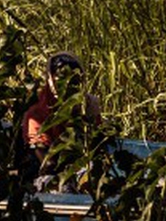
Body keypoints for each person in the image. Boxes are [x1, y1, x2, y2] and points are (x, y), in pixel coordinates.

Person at [19, 52, 103, 186]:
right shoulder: (37, 113)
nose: (67, 86)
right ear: (51, 80)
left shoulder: (88, 105)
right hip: (47, 170)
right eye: (61, 79)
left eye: (74, 81)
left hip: (81, 166)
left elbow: (98, 145)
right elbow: (44, 157)